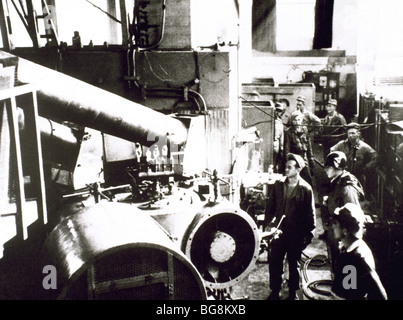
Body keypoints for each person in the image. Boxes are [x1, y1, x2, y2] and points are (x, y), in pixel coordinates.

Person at [264, 153, 316, 300]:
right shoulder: (278, 185)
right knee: (275, 262)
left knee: (294, 264)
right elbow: (270, 207)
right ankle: (275, 290)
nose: (286, 169)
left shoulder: (306, 189)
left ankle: (293, 292)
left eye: (289, 167)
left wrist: (308, 234)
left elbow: (310, 214)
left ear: (298, 169)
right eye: (285, 167)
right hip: (279, 232)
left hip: (296, 234)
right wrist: (269, 226)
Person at [330, 203, 388, 300]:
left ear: (345, 230)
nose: (332, 227)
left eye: (335, 224)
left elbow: (380, 295)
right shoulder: (348, 250)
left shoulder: (358, 257)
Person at [321, 151, 365, 272]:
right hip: (336, 233)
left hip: (343, 238)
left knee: (343, 270)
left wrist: (346, 242)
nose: (326, 170)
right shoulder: (337, 182)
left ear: (338, 167)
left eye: (329, 167)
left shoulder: (346, 187)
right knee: (336, 268)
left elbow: (353, 216)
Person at [330, 122, 377, 196]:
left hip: (358, 178)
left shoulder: (364, 147)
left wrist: (365, 168)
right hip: (342, 177)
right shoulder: (341, 144)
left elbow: (375, 158)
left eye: (353, 133)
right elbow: (332, 151)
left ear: (358, 134)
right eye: (349, 133)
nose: (350, 136)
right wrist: (335, 165)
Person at [284, 110, 313, 186]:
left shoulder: (305, 130)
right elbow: (286, 150)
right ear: (292, 121)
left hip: (304, 159)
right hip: (294, 159)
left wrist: (311, 161)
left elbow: (309, 147)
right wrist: (288, 163)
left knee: (308, 180)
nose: (297, 122)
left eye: (299, 120)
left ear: (302, 120)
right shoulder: (288, 132)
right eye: (295, 120)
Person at [295, 95, 321, 178]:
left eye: (300, 105)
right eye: (297, 105)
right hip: (297, 137)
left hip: (306, 137)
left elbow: (318, 122)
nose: (298, 106)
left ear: (304, 104)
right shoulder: (296, 114)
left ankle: (312, 174)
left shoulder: (308, 114)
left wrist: (309, 130)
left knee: (309, 156)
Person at [273, 101, 285, 173]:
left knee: (276, 164)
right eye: (276, 110)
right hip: (270, 143)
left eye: (280, 111)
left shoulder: (280, 122)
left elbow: (281, 136)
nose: (278, 113)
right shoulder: (270, 120)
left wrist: (281, 148)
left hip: (276, 144)